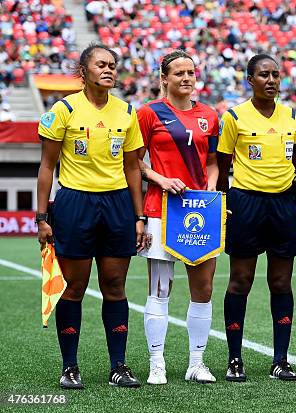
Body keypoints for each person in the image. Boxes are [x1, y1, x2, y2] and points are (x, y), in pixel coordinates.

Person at [36, 44, 144, 389]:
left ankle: (119, 366)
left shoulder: (128, 112)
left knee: (115, 285)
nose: (109, 69)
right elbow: (47, 167)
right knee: (75, 287)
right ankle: (70, 367)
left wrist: (139, 217)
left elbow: (133, 168)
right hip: (74, 204)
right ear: (83, 71)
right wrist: (41, 216)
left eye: (113, 64)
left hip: (117, 206)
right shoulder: (64, 109)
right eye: (101, 64)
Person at [217, 54, 296, 382]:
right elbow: (222, 164)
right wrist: (226, 204)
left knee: (281, 281)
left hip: (283, 205)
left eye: (275, 75)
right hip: (245, 204)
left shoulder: (294, 117)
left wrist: (292, 193)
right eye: (263, 75)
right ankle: (235, 359)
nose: (271, 80)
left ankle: (281, 360)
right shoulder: (234, 117)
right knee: (241, 279)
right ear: (249, 80)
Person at [136, 50, 219, 385]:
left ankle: (196, 363)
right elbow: (134, 162)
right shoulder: (148, 113)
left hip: (201, 211)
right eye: (179, 73)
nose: (186, 78)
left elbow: (213, 161)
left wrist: (209, 190)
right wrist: (161, 179)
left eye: (191, 72)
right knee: (159, 289)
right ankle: (158, 363)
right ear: (164, 78)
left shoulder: (210, 115)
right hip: (160, 209)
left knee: (204, 288)